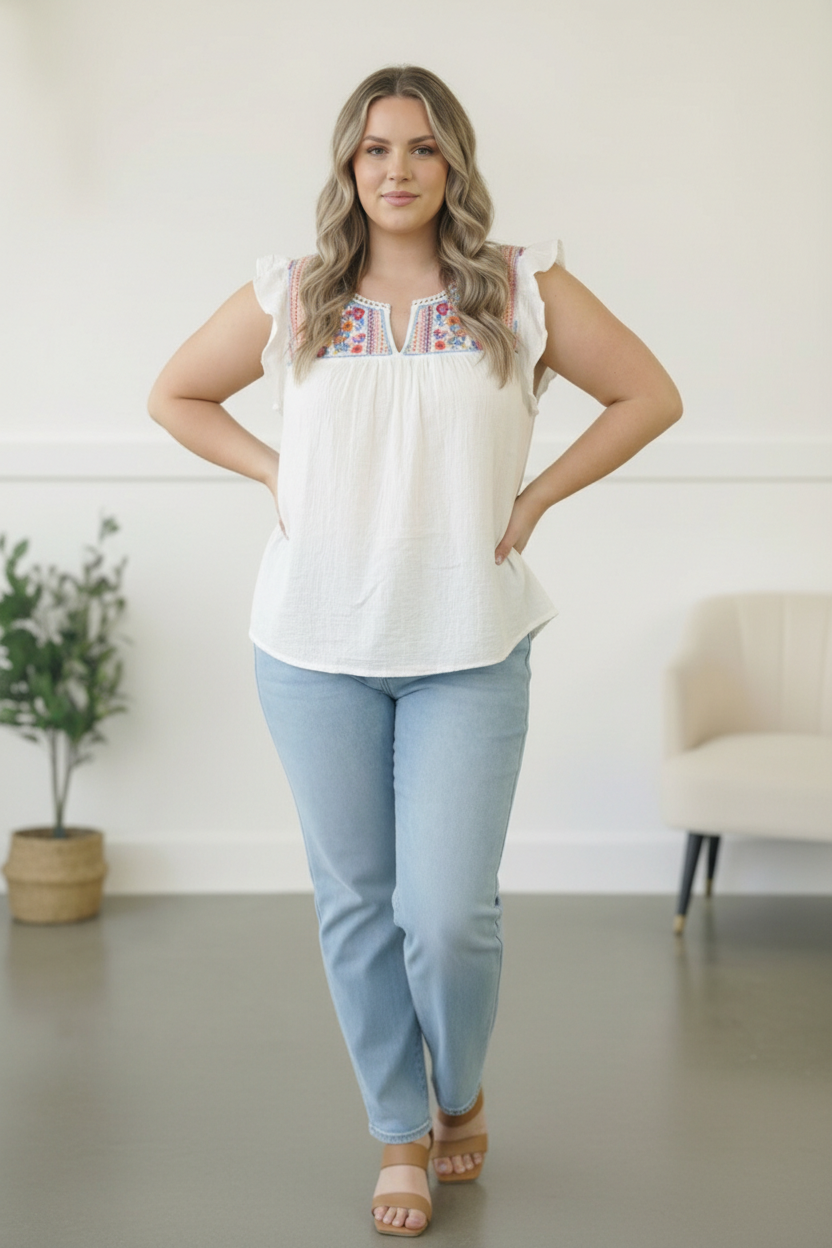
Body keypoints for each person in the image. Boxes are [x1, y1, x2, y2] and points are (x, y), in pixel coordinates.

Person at [148, 64, 682, 1237]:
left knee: (447, 914)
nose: (398, 169)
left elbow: (648, 394)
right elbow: (175, 395)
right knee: (357, 901)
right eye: (377, 148)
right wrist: (274, 470)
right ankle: (400, 1131)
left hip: (468, 640)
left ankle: (463, 1082)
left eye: (423, 149)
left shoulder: (517, 287)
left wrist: (533, 501)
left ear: (455, 167)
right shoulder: (293, 294)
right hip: (311, 642)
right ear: (348, 165)